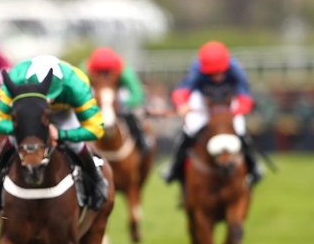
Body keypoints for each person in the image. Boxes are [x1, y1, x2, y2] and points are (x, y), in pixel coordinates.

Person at [0, 55, 109, 211]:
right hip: (30, 113)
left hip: (64, 115)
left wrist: (62, 135)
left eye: (52, 97)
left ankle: (96, 179)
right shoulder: (16, 79)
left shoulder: (76, 84)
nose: (48, 102)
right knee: (14, 139)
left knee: (75, 144)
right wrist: (22, 129)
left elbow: (96, 128)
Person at [164, 40, 263, 186]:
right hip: (203, 102)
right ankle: (174, 167)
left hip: (229, 103)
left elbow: (245, 97)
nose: (216, 77)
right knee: (190, 129)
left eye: (220, 72)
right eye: (211, 74)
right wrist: (182, 105)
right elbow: (182, 90)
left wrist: (234, 111)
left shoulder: (236, 68)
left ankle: (254, 167)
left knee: (240, 130)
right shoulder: (196, 68)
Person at [82, 46, 150, 155]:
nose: (103, 76)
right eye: (99, 73)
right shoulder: (84, 69)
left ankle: (141, 141)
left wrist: (119, 104)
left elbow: (137, 94)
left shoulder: (124, 70)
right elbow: (76, 93)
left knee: (132, 114)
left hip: (117, 96)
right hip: (96, 98)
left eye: (107, 72)